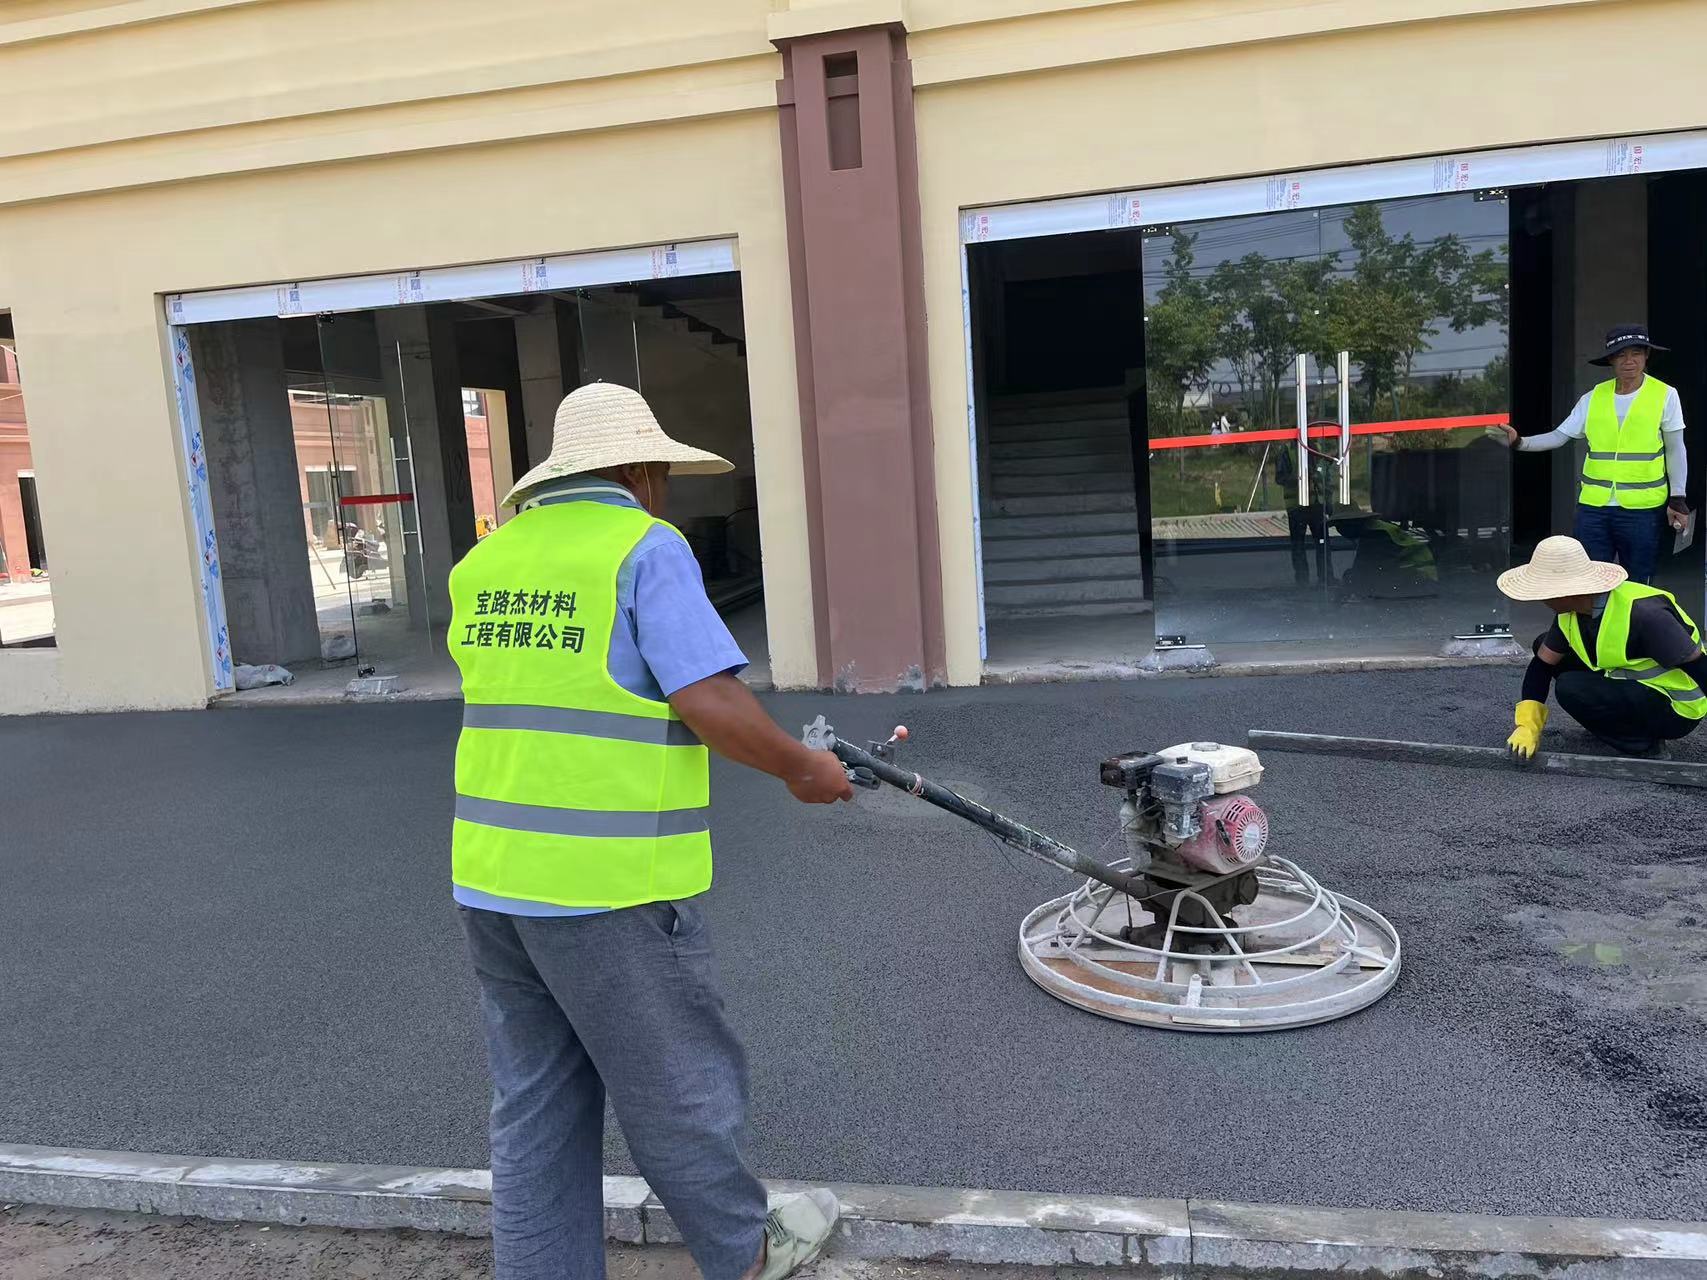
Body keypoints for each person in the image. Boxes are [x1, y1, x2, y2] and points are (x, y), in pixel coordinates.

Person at [447, 382, 855, 1280]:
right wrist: (801, 768)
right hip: (610, 883)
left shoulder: (485, 560)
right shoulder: (643, 545)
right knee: (678, 1087)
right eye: (660, 471)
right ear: (638, 467)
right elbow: (704, 696)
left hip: (491, 879)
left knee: (534, 1102)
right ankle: (748, 1252)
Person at [1495, 324, 1690, 583]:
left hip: (1642, 509)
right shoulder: (1593, 398)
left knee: (1638, 582)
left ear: (1646, 356)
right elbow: (1559, 436)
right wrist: (1520, 442)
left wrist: (1678, 498)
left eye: (1636, 353)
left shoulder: (1665, 395)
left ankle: (1631, 625)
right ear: (1611, 360)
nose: (1629, 361)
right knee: (1589, 582)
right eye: (1621, 354)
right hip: (1594, 509)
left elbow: (1676, 448)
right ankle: (1593, 625)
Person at [1497, 535, 1706, 758]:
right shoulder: (1570, 613)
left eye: (1542, 592)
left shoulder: (1645, 614)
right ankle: (1617, 725)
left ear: (1564, 592)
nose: (1539, 599)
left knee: (1570, 687)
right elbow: (1542, 665)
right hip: (1633, 686)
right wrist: (1528, 725)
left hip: (1676, 708)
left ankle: (1642, 745)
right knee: (1544, 645)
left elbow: (1700, 668)